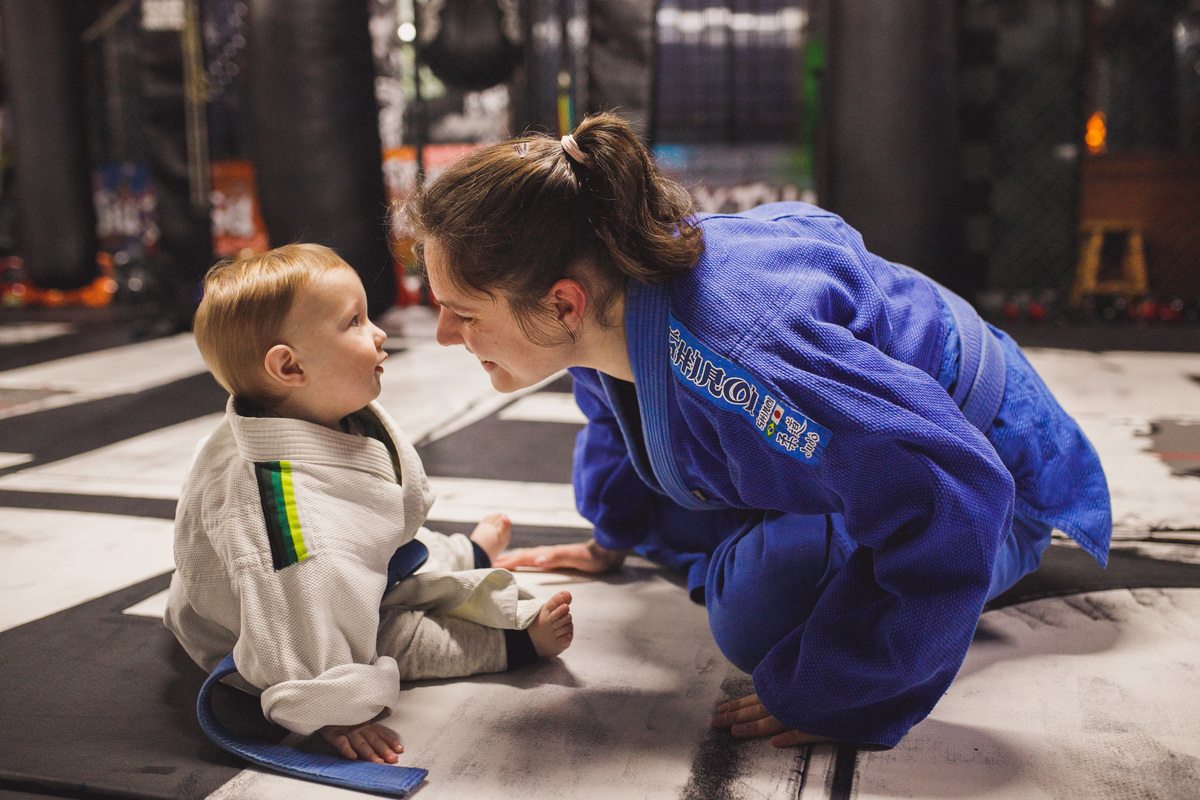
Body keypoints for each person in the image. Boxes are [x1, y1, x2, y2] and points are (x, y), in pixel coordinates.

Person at [399, 113, 1112, 749]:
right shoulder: (610, 290)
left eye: (462, 310)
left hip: (996, 476)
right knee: (670, 502)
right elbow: (615, 415)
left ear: (562, 304)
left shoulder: (740, 358)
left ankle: (793, 557)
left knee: (753, 616)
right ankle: (768, 526)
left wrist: (840, 694)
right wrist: (615, 536)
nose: (441, 334)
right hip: (874, 435)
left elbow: (955, 493)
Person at [164, 244, 574, 764]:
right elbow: (296, 620)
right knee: (395, 639)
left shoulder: (321, 413)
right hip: (273, 620)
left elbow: (373, 524)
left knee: (410, 556)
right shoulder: (285, 526)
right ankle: (512, 646)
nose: (379, 332)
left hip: (343, 569)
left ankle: (463, 552)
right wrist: (333, 709)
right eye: (355, 322)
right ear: (289, 366)